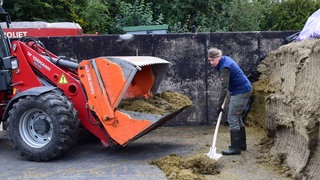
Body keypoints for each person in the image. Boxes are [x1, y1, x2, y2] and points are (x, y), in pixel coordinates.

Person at [207, 47, 252, 155]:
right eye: (209, 60)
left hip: (241, 91)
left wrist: (219, 106)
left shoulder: (224, 67)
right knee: (237, 117)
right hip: (241, 89)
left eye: (213, 60)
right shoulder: (225, 59)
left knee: (232, 118)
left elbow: (224, 88)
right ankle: (241, 145)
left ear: (218, 57)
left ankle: (235, 149)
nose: (211, 63)